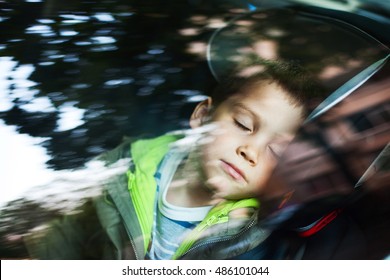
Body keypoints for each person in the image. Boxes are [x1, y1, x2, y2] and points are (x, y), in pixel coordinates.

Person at [24, 60, 326, 260]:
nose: (251, 151)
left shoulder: (250, 240)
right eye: (244, 125)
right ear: (203, 115)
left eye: (276, 152)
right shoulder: (122, 167)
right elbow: (62, 237)